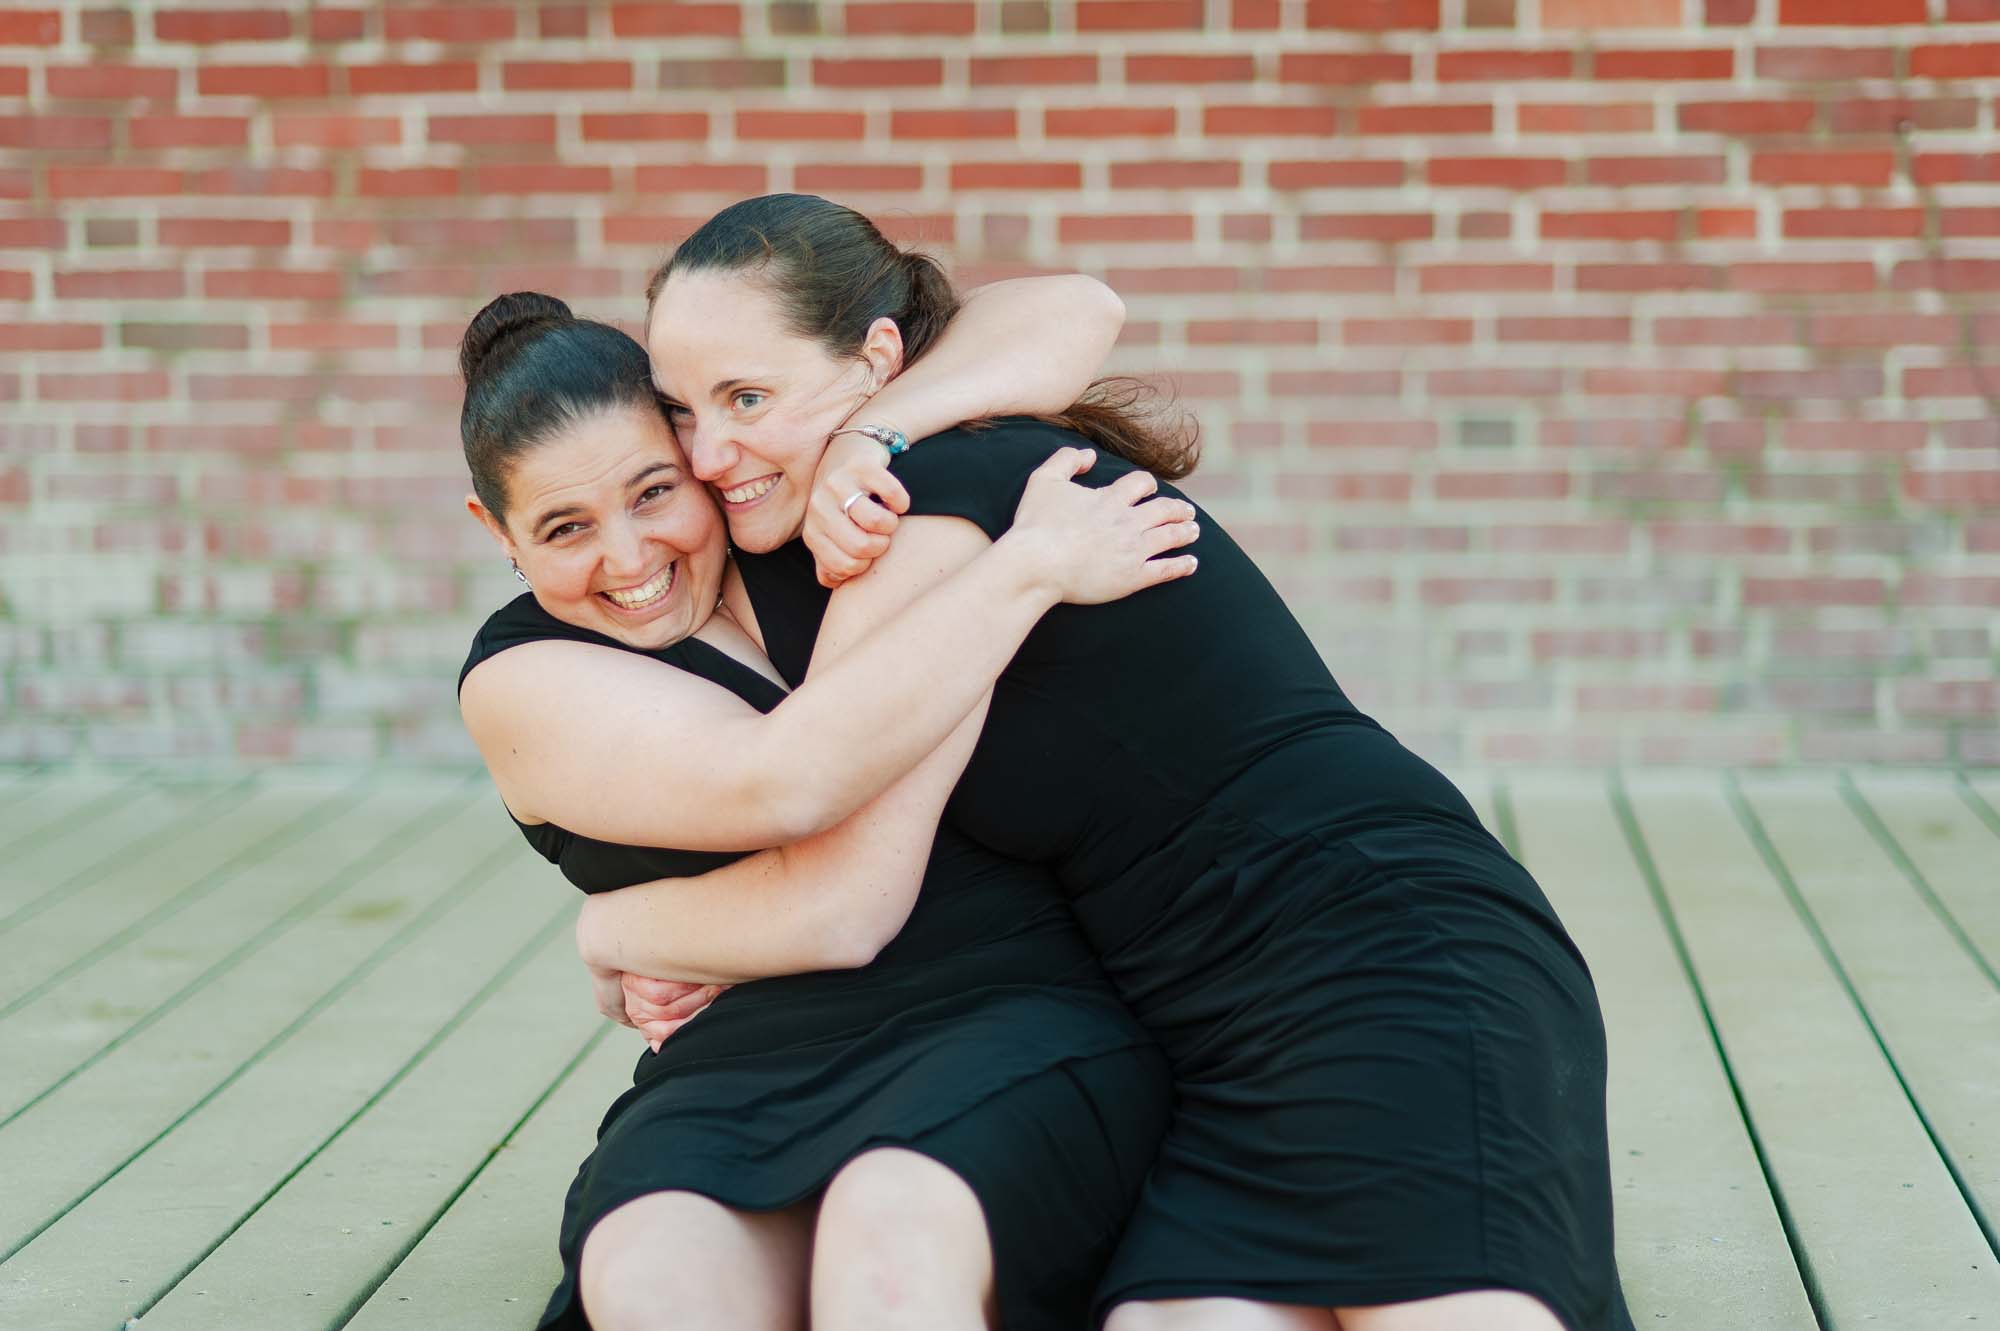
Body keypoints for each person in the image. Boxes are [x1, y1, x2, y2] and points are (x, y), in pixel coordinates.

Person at [613, 193, 1637, 1331]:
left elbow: (843, 886)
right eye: (679, 411)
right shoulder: (878, 483)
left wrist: (617, 931)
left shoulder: (925, 499)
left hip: (1370, 945)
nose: (707, 452)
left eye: (745, 396)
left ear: (878, 358)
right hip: (1195, 1028)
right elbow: (1053, 308)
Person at [456, 282, 1198, 1330]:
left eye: (653, 491)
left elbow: (1070, 307)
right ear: (496, 529)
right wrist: (1024, 568)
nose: (627, 559)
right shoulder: (523, 676)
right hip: (744, 1058)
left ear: (698, 453)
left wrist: (863, 434)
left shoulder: (815, 530)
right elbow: (789, 779)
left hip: (1001, 1007)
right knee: (651, 1274)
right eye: (565, 525)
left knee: (890, 1259)